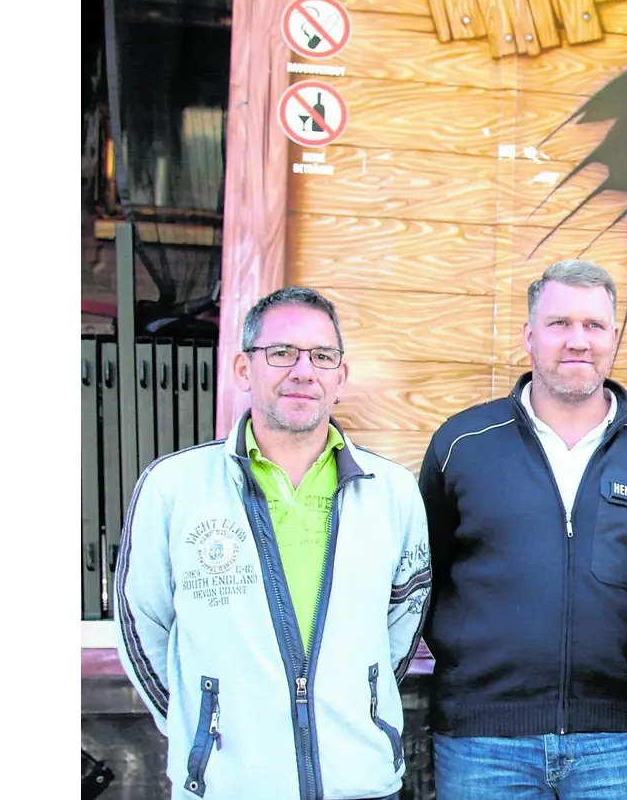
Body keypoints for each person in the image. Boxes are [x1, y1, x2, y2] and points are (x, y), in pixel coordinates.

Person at [114, 286, 432, 800]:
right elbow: (140, 623)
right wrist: (202, 733)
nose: (304, 371)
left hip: (361, 784)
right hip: (228, 787)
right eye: (282, 353)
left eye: (323, 356)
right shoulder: (175, 486)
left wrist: (362, 702)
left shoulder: (392, 491)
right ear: (244, 370)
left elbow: (404, 619)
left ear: (341, 377)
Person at [418, 260, 627, 799]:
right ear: (529, 335)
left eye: (594, 326)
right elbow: (423, 582)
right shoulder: (463, 445)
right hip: (484, 743)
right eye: (559, 324)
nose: (578, 341)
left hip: (623, 744)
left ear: (614, 337)